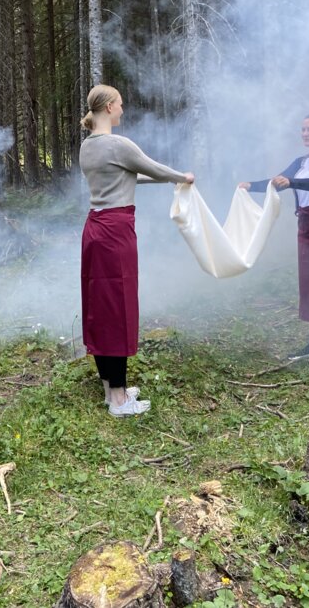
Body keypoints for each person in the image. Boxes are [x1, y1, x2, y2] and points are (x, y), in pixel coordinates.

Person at [79, 85, 195, 417]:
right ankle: (119, 399)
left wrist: (165, 180)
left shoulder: (88, 146)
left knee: (102, 307)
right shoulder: (118, 144)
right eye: (120, 104)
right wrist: (182, 177)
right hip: (116, 232)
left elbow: (129, 176)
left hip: (95, 230)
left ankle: (109, 387)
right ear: (110, 106)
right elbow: (150, 167)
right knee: (118, 308)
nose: (123, 109)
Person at [240, 113, 309, 368]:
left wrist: (290, 182)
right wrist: (250, 185)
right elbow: (277, 182)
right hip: (308, 229)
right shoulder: (301, 161)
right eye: (302, 129)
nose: (305, 133)